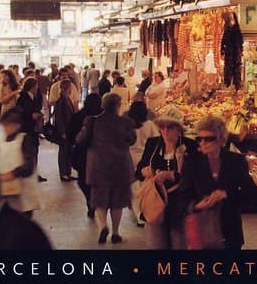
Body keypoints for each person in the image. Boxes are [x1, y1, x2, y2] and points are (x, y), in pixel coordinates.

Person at [178, 115, 257, 250]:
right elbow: (182, 196)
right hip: (202, 229)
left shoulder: (236, 161)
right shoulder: (192, 162)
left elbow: (252, 194)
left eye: (208, 139)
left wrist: (226, 194)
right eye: (199, 139)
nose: (202, 142)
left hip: (230, 230)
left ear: (221, 139)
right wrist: (196, 206)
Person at [76, 93, 135, 244]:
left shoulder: (92, 121)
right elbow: (132, 140)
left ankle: (103, 226)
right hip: (120, 165)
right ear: (117, 106)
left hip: (98, 165)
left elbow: (80, 140)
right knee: (118, 199)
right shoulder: (126, 122)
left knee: (99, 198)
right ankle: (115, 232)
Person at [135, 107, 196, 249]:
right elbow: (138, 172)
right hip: (155, 203)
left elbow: (194, 175)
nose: (165, 131)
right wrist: (149, 172)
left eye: (170, 127)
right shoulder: (153, 144)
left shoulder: (190, 146)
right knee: (156, 246)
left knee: (179, 245)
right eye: (162, 127)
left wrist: (171, 175)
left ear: (179, 129)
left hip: (180, 206)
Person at [0, 109, 40, 217]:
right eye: (4, 125)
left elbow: (29, 165)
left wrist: (13, 174)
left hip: (24, 193)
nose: (6, 128)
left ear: (17, 125)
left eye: (9, 125)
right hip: (5, 191)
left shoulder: (25, 139)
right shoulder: (0, 142)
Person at [126, 92, 160, 227]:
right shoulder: (150, 125)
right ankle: (146, 211)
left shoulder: (127, 125)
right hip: (145, 157)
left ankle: (138, 214)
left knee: (133, 188)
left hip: (129, 157)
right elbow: (157, 140)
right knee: (145, 186)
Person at [67, 93, 102, 218]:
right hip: (100, 154)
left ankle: (89, 199)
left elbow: (70, 134)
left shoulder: (78, 116)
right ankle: (95, 200)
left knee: (83, 179)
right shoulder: (103, 117)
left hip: (81, 154)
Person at [51, 79, 78, 181]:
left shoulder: (67, 99)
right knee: (63, 151)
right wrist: (62, 132)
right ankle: (63, 173)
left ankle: (68, 171)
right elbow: (59, 118)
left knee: (68, 151)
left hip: (69, 130)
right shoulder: (61, 101)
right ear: (67, 88)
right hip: (64, 130)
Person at [220, 10, 244, 90]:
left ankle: (233, 86)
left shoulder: (232, 29)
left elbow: (224, 41)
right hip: (233, 55)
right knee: (233, 71)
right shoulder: (230, 29)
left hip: (232, 54)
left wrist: (222, 50)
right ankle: (235, 86)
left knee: (232, 70)